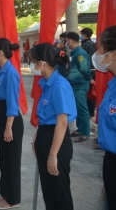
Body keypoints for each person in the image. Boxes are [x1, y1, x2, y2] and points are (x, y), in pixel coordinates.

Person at [29, 43, 76, 210]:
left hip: (57, 141)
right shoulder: (46, 83)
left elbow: (62, 122)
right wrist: (36, 138)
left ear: (42, 62)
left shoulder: (59, 85)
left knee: (59, 193)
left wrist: (53, 155)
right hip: (45, 135)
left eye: (33, 61)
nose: (32, 65)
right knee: (48, 190)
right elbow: (44, 117)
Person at [0, 38, 24, 209]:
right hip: (0, 116)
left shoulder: (11, 73)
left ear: (0, 52)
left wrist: (9, 126)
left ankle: (13, 199)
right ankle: (5, 193)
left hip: (11, 120)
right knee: (4, 159)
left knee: (11, 160)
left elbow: (12, 102)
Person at [91, 25, 116, 209]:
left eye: (99, 48)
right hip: (110, 160)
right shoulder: (112, 85)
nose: (97, 54)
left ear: (112, 54)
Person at [66, 32, 91, 142]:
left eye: (67, 41)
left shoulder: (80, 53)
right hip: (74, 84)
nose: (66, 43)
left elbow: (85, 69)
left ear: (70, 41)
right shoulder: (74, 53)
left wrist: (89, 78)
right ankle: (80, 129)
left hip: (79, 85)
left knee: (82, 109)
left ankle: (85, 133)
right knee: (77, 108)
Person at [80, 28, 97, 118]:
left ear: (85, 35)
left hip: (88, 70)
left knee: (87, 93)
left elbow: (83, 60)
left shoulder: (85, 45)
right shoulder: (93, 44)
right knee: (91, 92)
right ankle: (91, 112)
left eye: (81, 34)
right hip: (94, 69)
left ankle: (89, 112)